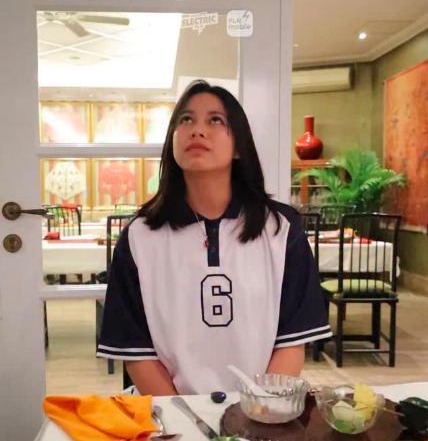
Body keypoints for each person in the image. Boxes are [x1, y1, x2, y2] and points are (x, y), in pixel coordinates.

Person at [97, 80, 332, 395]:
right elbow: (137, 352)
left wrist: (260, 408)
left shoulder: (281, 229)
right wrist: (185, 415)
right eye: (186, 119)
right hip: (170, 413)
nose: (197, 130)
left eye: (215, 120)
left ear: (239, 146)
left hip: (260, 409)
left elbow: (291, 341)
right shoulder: (140, 236)